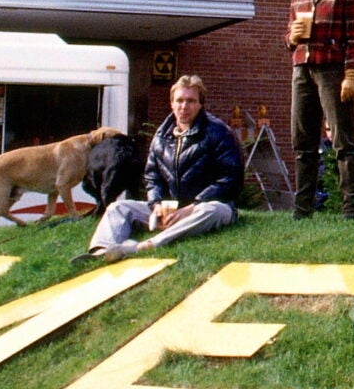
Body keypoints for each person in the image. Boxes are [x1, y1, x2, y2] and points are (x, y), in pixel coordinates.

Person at [83, 76, 243, 258]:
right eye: (179, 101)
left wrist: (192, 207)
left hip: (206, 207)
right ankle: (102, 250)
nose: (184, 106)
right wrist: (156, 205)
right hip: (172, 209)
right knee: (118, 208)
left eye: (191, 101)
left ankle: (148, 245)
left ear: (200, 104)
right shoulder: (161, 137)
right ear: (172, 103)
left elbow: (231, 178)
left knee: (213, 210)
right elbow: (152, 177)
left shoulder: (219, 133)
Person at [287, 0, 354, 218]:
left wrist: (351, 73)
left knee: (343, 141)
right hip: (302, 68)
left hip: (332, 70)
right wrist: (291, 37)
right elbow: (289, 39)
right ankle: (302, 210)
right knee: (303, 142)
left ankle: (351, 210)